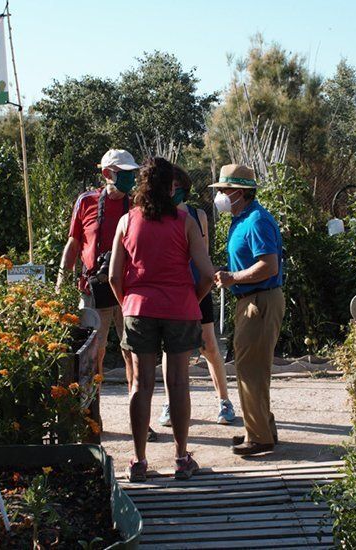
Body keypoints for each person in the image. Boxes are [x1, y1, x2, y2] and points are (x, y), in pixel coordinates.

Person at [109, 157, 215, 482]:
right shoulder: (186, 222)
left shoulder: (127, 221)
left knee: (140, 384)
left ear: (141, 185)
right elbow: (208, 275)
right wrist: (189, 301)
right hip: (180, 309)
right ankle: (182, 458)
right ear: (171, 186)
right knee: (179, 382)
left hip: (139, 309)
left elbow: (114, 277)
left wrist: (129, 304)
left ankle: (138, 462)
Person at [56, 149, 155, 441]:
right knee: (91, 357)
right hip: (91, 290)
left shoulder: (136, 204)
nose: (128, 178)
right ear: (106, 174)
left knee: (133, 354)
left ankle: (140, 420)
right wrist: (63, 280)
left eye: (130, 172)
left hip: (128, 291)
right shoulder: (86, 201)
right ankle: (90, 419)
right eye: (122, 172)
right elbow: (74, 243)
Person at [210, 164, 285, 456]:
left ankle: (260, 438)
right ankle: (262, 429)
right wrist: (227, 274)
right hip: (251, 299)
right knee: (251, 367)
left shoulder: (256, 221)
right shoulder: (241, 219)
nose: (220, 196)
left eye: (224, 191)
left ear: (239, 192)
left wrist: (232, 278)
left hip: (260, 300)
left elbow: (269, 265)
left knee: (250, 370)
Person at [157, 165, 236, 428]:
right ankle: (170, 404)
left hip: (197, 287)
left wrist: (206, 284)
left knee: (209, 345)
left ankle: (224, 401)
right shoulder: (157, 215)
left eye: (177, 186)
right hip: (171, 291)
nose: (173, 191)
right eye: (170, 186)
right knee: (170, 348)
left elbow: (203, 254)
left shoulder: (197, 214)